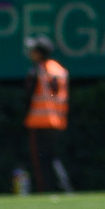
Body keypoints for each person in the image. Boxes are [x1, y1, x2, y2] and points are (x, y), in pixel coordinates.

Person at [24, 35, 71, 193]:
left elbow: (28, 96)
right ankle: (64, 188)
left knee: (41, 161)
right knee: (54, 158)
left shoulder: (37, 70)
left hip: (39, 122)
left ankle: (45, 190)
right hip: (58, 121)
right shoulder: (59, 69)